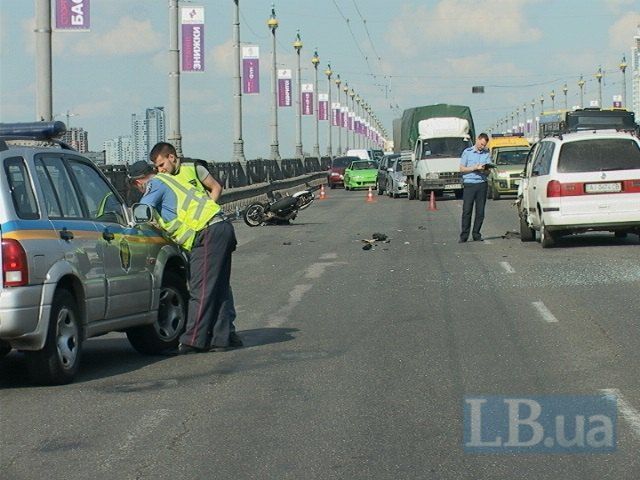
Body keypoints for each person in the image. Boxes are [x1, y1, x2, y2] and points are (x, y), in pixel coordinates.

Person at [128, 160, 239, 355]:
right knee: (218, 289)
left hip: (206, 233)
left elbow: (141, 211)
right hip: (221, 227)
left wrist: (133, 225)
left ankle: (193, 340)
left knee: (201, 290)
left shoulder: (154, 184)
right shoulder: (170, 180)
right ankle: (221, 339)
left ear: (138, 182)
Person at [459, 133, 491, 243]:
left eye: (484, 145)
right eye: (481, 144)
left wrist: (484, 169)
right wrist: (474, 168)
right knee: (467, 210)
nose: (482, 146)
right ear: (477, 140)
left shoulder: (486, 153)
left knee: (480, 211)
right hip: (470, 183)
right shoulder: (467, 152)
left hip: (482, 184)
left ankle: (476, 234)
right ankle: (464, 235)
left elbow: (488, 171)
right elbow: (462, 168)